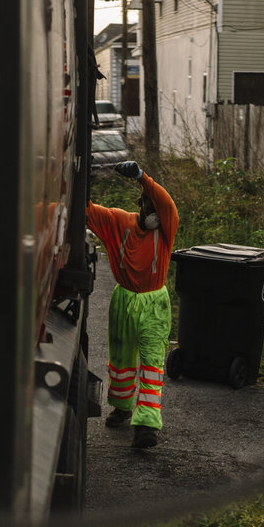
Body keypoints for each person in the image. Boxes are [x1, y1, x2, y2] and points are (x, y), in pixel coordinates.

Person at [86, 160, 179, 448]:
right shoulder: (119, 222)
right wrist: (82, 177)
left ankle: (147, 426)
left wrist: (142, 177)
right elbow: (87, 210)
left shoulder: (166, 229)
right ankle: (122, 407)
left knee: (151, 364)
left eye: (157, 211)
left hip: (154, 303)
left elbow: (167, 203)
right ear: (141, 206)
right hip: (124, 298)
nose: (155, 215)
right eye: (150, 208)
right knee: (122, 359)